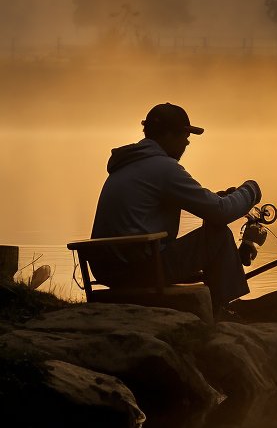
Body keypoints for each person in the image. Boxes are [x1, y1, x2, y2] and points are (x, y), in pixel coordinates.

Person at [91, 103, 262, 314]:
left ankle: (218, 305)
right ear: (168, 136)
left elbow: (208, 206)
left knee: (212, 229)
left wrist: (215, 200)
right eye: (185, 135)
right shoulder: (163, 168)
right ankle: (222, 313)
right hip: (137, 270)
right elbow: (220, 212)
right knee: (217, 235)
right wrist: (251, 190)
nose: (188, 142)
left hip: (108, 270)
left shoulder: (128, 164)